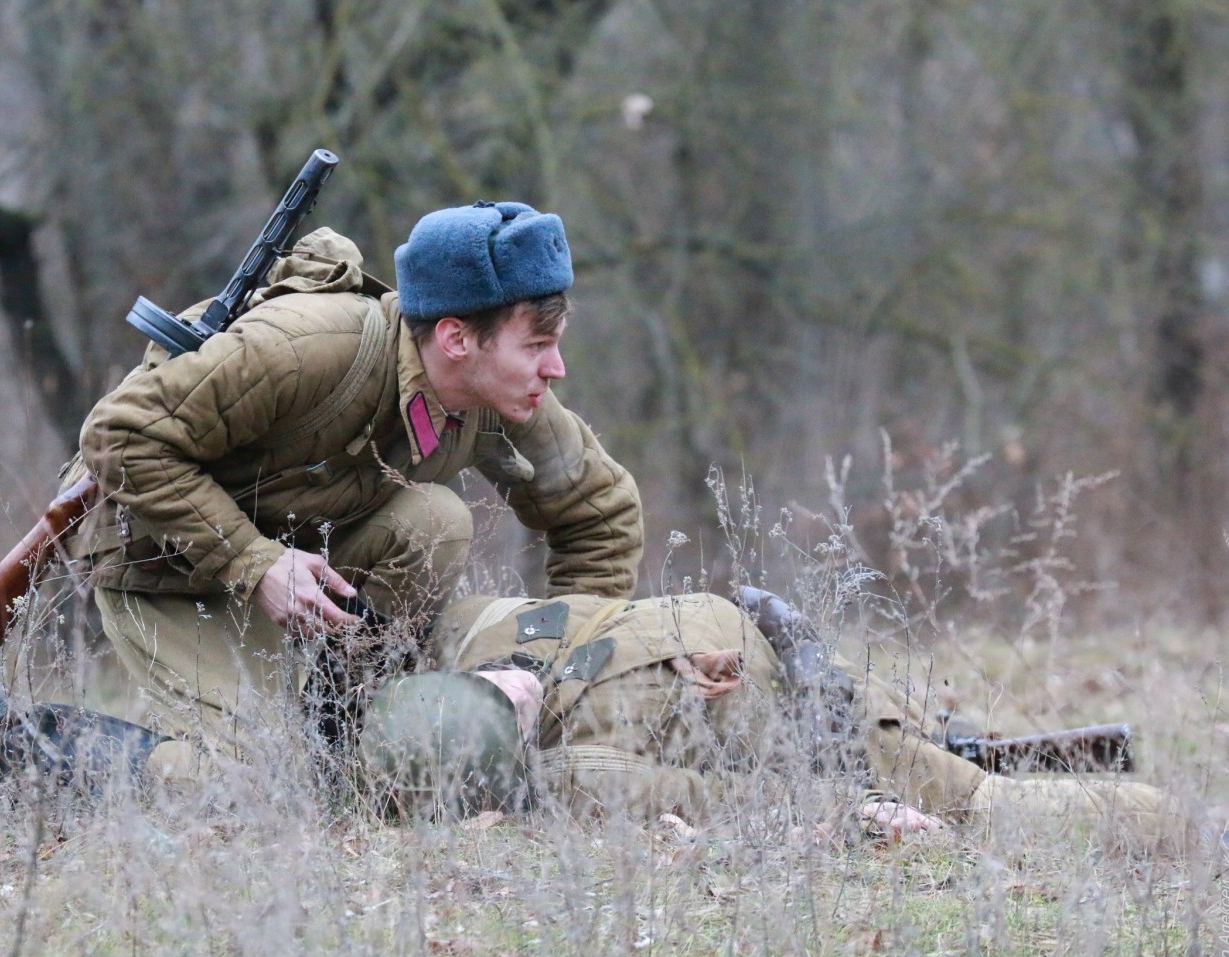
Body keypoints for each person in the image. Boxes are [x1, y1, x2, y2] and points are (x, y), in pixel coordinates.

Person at [68, 202, 642, 765]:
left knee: (436, 521)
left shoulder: (504, 393)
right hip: (165, 558)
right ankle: (27, 747)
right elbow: (120, 437)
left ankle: (343, 742)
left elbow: (598, 514)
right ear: (456, 339)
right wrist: (252, 561)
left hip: (290, 549)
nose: (556, 368)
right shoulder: (302, 349)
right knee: (246, 781)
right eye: (537, 346)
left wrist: (545, 668)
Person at [359, 589, 1195, 853]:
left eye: (490, 685)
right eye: (504, 707)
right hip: (789, 712)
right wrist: (850, 812)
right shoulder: (579, 770)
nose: (513, 684)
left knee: (955, 763)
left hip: (776, 667)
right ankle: (1191, 831)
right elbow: (732, 801)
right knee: (978, 800)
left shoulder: (468, 628)